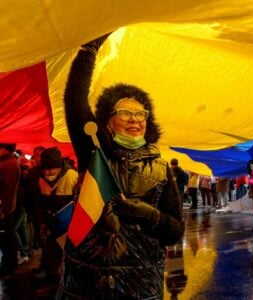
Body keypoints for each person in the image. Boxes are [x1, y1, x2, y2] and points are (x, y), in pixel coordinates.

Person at [57, 33, 184, 299]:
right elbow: (74, 101)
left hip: (140, 285)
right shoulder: (94, 154)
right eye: (125, 113)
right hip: (84, 283)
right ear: (107, 121)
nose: (134, 119)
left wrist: (149, 215)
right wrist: (89, 49)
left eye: (141, 114)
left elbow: (175, 232)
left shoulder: (162, 170)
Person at [32, 147, 78, 288]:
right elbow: (38, 202)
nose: (47, 173)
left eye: (51, 169)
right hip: (51, 223)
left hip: (69, 225)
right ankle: (53, 279)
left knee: (69, 254)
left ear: (59, 166)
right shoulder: (40, 178)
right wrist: (41, 222)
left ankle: (69, 281)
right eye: (44, 169)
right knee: (50, 250)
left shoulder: (72, 176)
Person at [0, 143, 19, 276]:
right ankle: (9, 264)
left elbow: (8, 189)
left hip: (4, 208)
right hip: (6, 206)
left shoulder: (8, 164)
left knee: (6, 237)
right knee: (6, 236)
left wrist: (3, 209)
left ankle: (9, 265)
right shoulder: (9, 162)